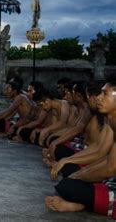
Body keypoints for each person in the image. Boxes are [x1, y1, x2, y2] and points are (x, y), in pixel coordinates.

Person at [45, 77, 116, 219]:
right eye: (98, 94)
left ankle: (82, 204)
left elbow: (109, 166)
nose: (98, 98)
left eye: (105, 94)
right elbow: (107, 156)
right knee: (69, 183)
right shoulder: (111, 120)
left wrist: (79, 175)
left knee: (70, 185)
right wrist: (73, 166)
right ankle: (84, 202)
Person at [49, 81, 113, 180]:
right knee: (64, 162)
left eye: (104, 94)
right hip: (91, 153)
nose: (98, 99)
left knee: (68, 177)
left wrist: (81, 173)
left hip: (100, 161)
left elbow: (103, 156)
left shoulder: (110, 119)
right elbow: (74, 127)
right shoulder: (101, 115)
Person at [43, 81, 92, 165]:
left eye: (72, 92)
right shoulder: (83, 108)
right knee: (53, 142)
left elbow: (76, 129)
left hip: (86, 146)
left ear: (79, 95)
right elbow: (73, 127)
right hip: (80, 141)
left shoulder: (88, 108)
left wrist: (55, 142)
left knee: (57, 147)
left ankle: (56, 161)